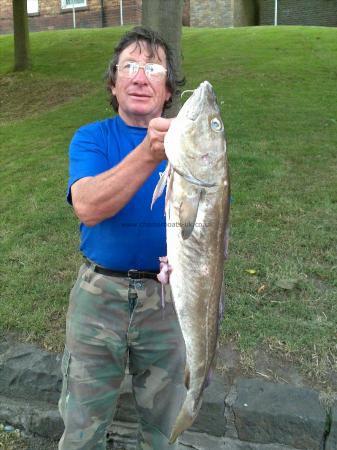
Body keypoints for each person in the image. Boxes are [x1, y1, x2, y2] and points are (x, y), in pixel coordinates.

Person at [58, 27, 186, 450]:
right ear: (113, 84)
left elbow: (205, 218)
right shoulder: (91, 137)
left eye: (153, 68)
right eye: (129, 66)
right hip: (99, 298)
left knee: (165, 429)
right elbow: (89, 206)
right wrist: (150, 152)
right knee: (82, 429)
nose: (139, 76)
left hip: (167, 303)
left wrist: (184, 259)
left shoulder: (189, 145)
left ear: (168, 88)